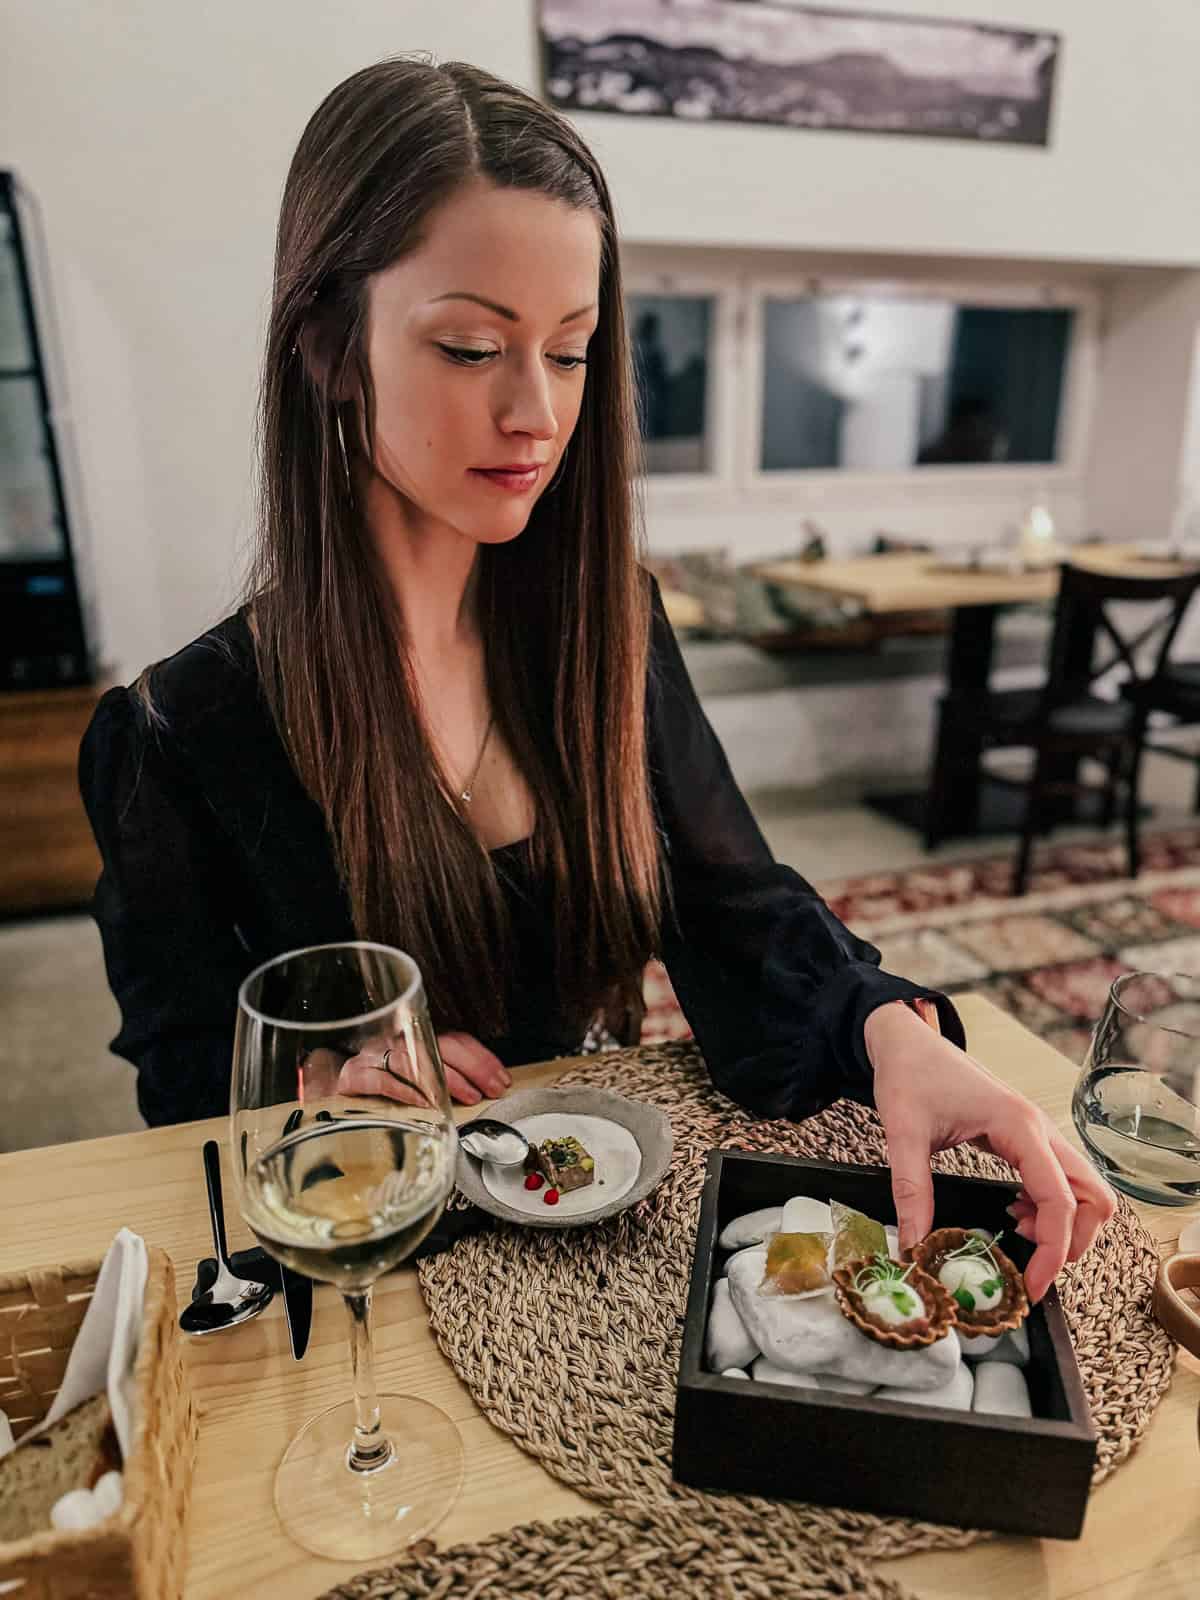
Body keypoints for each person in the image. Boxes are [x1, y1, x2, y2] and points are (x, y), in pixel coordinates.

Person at [79, 58, 1112, 1301]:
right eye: (470, 348)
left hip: (597, 1240)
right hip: (376, 1277)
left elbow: (738, 907)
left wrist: (893, 1032)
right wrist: (308, 1085)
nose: (535, 414)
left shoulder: (607, 628)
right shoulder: (181, 733)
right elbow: (182, 1080)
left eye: (569, 354)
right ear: (329, 349)